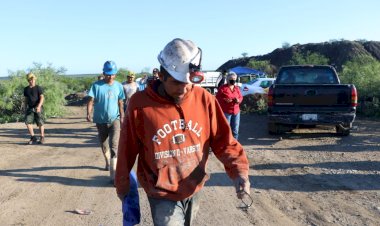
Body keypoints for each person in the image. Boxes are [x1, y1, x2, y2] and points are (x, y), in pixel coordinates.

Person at [115, 38, 250, 225]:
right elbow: (127, 148)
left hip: (194, 186)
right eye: (177, 82)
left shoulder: (204, 99)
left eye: (188, 82)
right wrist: (122, 185)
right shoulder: (140, 104)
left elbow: (224, 141)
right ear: (161, 76)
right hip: (160, 191)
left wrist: (239, 172)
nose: (184, 88)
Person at [87, 60, 125, 182]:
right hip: (100, 120)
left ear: (115, 74)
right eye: (108, 74)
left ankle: (113, 176)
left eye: (112, 74)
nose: (110, 76)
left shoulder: (119, 86)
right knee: (104, 144)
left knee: (114, 146)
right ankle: (108, 163)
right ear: (103, 73)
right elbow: (91, 101)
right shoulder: (96, 86)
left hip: (115, 119)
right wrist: (88, 113)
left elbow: (120, 102)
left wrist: (123, 116)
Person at [216, 71, 243, 140]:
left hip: (236, 111)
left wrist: (238, 100)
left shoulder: (237, 88)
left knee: (235, 130)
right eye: (231, 79)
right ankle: (225, 144)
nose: (232, 80)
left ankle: (234, 144)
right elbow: (217, 98)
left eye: (234, 79)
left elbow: (241, 97)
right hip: (226, 111)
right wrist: (225, 100)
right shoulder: (222, 88)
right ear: (227, 80)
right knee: (226, 129)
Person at [24, 73, 45, 145]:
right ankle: (33, 137)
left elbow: (42, 98)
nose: (32, 81)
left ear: (35, 79)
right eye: (30, 79)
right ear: (28, 80)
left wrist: (39, 106)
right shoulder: (26, 89)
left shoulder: (38, 88)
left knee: (40, 123)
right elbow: (26, 99)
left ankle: (42, 137)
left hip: (38, 107)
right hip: (30, 108)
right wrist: (24, 107)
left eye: (33, 79)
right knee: (27, 122)